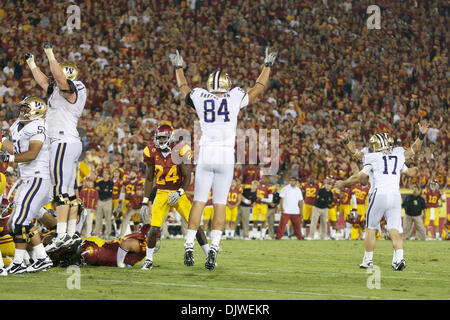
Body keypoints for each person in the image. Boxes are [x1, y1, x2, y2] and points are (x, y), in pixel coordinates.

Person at [171, 47, 277, 270]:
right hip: (226, 156)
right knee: (220, 203)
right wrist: (267, 66)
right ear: (227, 85)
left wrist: (179, 68)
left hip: (207, 153)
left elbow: (183, 88)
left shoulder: (200, 95)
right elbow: (258, 89)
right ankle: (214, 248)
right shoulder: (235, 95)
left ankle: (189, 244)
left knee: (199, 201)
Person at [335, 122, 429, 271]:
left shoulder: (373, 157)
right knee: (394, 230)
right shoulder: (398, 154)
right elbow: (414, 152)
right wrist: (422, 135)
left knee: (371, 228)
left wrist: (344, 183)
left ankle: (368, 260)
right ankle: (398, 259)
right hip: (394, 197)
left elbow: (357, 163)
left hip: (378, 195)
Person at [25, 43, 86, 249]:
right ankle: (70, 233)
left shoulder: (74, 88)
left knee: (60, 189)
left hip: (62, 141)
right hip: (69, 141)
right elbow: (46, 82)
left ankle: (61, 235)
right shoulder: (59, 91)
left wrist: (51, 54)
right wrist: (32, 64)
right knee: (69, 191)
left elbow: (59, 79)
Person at [140, 124, 209, 270]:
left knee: (194, 224)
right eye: (159, 138)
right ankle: (148, 259)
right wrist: (145, 201)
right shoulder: (151, 151)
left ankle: (209, 255)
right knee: (154, 228)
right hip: (161, 192)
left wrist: (179, 192)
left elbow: (187, 177)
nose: (161, 140)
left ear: (170, 137)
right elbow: (149, 178)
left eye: (164, 137)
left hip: (178, 192)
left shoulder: (180, 150)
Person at [0, 96, 53, 274]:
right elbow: (15, 149)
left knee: (19, 222)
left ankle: (18, 262)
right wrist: (1, 140)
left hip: (38, 178)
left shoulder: (39, 126)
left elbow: (32, 154)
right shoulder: (18, 126)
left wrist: (9, 158)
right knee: (17, 221)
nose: (22, 112)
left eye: (26, 109)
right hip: (28, 178)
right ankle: (42, 258)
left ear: (36, 112)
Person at [251, 175, 273, 240]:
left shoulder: (269, 187)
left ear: (267, 179)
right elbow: (252, 193)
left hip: (264, 205)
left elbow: (270, 200)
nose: (262, 180)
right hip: (256, 204)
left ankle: (263, 235)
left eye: (264, 178)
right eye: (262, 178)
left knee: (263, 221)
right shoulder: (258, 185)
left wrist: (261, 199)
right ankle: (254, 235)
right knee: (255, 220)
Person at [94, 170, 114, 238]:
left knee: (107, 218)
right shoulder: (99, 182)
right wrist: (103, 190)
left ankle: (107, 233)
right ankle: (97, 232)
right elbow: (95, 188)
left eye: (106, 174)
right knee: (98, 218)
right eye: (104, 174)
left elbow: (109, 193)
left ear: (109, 175)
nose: (105, 175)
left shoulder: (111, 183)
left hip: (108, 201)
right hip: (100, 201)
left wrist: (100, 190)